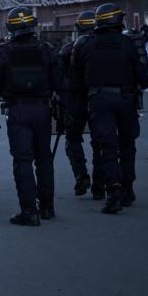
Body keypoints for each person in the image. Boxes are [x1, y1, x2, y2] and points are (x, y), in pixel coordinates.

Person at [0, 6, 60, 226]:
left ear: (10, 27)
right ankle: (47, 208)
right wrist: (66, 112)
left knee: (23, 160)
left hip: (17, 110)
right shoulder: (46, 49)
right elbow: (62, 84)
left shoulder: (2, 51)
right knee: (44, 158)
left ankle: (29, 211)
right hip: (43, 110)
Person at [71, 2, 148, 213]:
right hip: (126, 99)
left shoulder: (85, 44)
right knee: (127, 146)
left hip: (98, 100)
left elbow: (75, 79)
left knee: (108, 147)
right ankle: (127, 189)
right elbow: (145, 77)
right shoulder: (128, 43)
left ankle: (113, 191)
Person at [57, 11, 102, 197]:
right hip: (98, 99)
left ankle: (81, 176)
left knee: (72, 139)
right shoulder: (105, 46)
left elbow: (59, 77)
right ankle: (100, 184)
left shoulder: (70, 49)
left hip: (76, 100)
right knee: (101, 143)